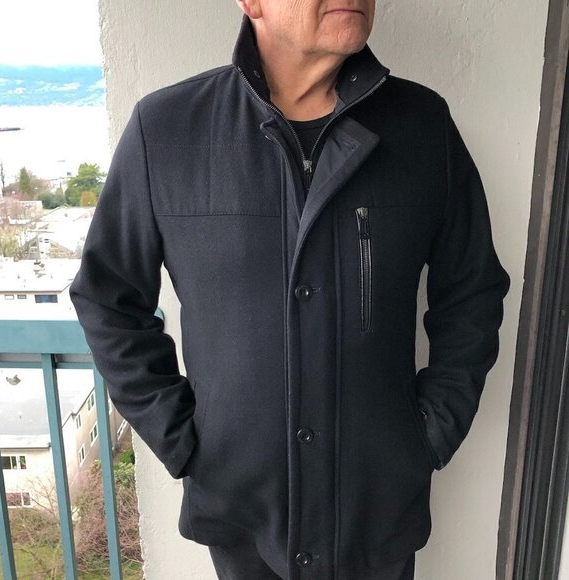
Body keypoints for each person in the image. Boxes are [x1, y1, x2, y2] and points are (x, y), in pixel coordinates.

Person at [69, 1, 511, 579]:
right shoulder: (168, 129)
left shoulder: (423, 125)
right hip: (240, 514)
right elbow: (108, 299)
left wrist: (431, 430)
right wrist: (181, 438)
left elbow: (472, 291)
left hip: (377, 511)